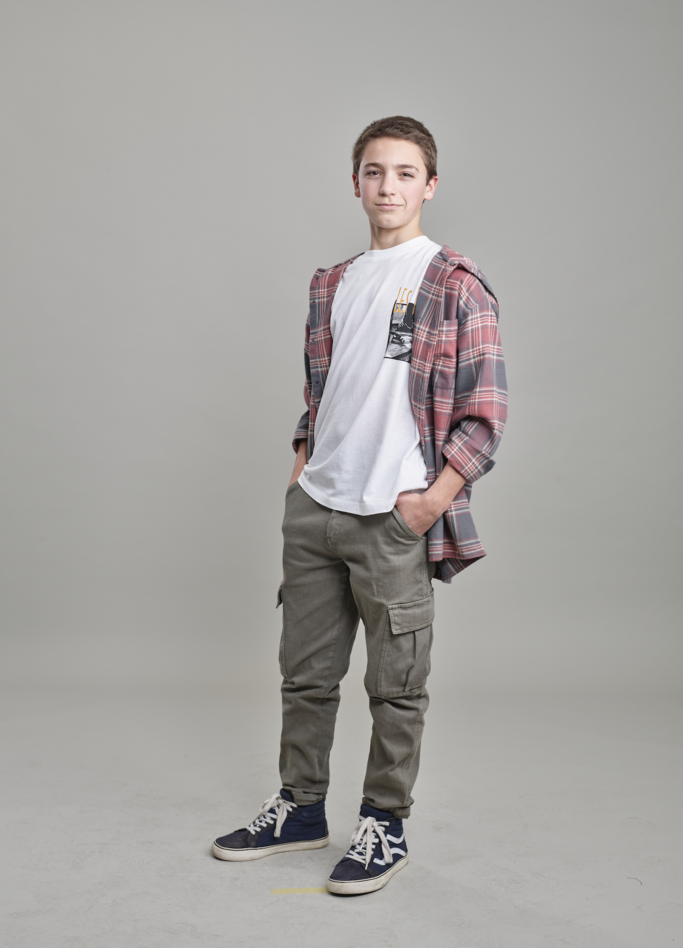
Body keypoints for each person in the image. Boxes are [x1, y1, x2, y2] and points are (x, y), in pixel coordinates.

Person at [212, 116, 508, 895]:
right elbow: (325, 391)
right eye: (374, 172)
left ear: (429, 185)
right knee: (304, 677)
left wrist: (430, 502)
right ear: (355, 184)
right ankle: (300, 808)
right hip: (316, 507)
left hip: (392, 517)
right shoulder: (332, 283)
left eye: (405, 173)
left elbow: (485, 413)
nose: (388, 187)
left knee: (395, 685)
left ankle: (384, 825)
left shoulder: (454, 282)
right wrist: (300, 471)